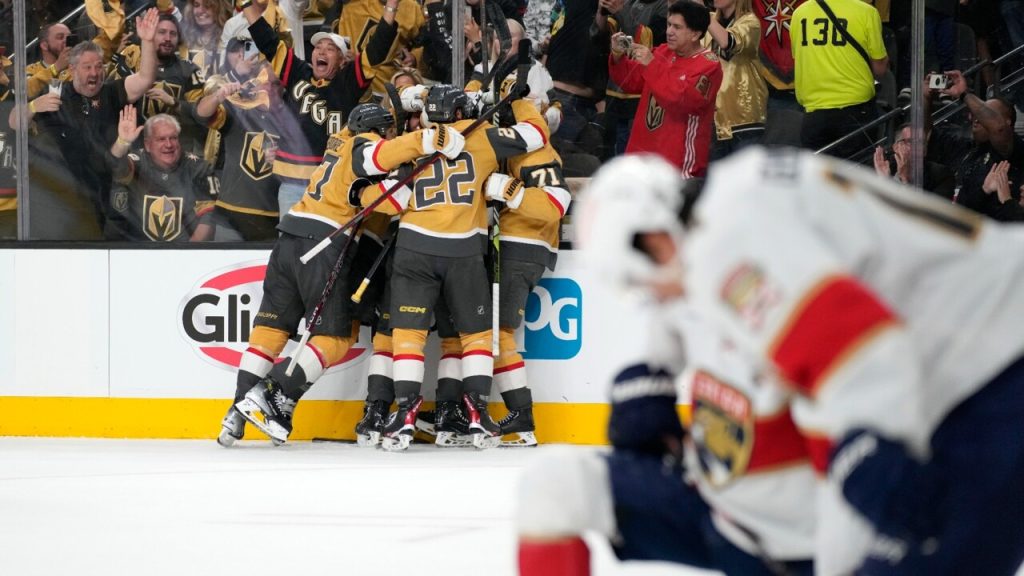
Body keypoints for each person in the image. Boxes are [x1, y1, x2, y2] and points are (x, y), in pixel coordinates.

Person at [681, 146, 1024, 574]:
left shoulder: (731, 246)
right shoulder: (755, 182)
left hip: (994, 351)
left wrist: (858, 461)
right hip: (985, 333)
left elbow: (862, 357)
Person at [516, 154, 817, 576]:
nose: (650, 297)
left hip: (807, 542)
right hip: (724, 511)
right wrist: (638, 393)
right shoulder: (679, 291)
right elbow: (657, 366)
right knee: (555, 485)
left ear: (657, 240)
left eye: (638, 280)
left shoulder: (781, 288)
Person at [369, 83, 546, 451]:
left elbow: (380, 163)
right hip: (464, 250)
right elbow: (537, 134)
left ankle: (403, 414)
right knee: (477, 336)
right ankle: (477, 412)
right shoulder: (484, 136)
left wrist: (419, 139)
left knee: (408, 335)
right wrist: (522, 103)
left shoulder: (418, 138)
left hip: (415, 244)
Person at [222, 103, 401, 446]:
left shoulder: (338, 143)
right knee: (337, 336)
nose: (392, 138)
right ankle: (273, 394)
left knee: (271, 328)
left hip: (290, 234)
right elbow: (387, 201)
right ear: (377, 133)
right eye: (389, 132)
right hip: (332, 243)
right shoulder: (367, 152)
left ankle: (238, 410)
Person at [240, 0, 398, 216]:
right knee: (291, 247)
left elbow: (378, 46)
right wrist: (247, 3)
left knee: (324, 247)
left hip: (329, 184)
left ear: (342, 61)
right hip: (291, 185)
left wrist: (391, 6)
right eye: (318, 47)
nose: (321, 51)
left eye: (330, 49)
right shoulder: (298, 72)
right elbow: (266, 39)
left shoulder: (348, 82)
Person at [23, 8, 161, 240]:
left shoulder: (112, 91)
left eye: (99, 66)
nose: (95, 72)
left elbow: (146, 78)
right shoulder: (55, 95)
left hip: (110, 188)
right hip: (69, 194)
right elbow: (13, 121)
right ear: (72, 69)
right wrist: (33, 106)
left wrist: (147, 41)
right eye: (87, 67)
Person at [608, 1, 723, 178]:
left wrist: (652, 65)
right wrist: (617, 56)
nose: (669, 31)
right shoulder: (662, 52)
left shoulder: (709, 65)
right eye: (669, 24)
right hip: (641, 158)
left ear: (695, 34)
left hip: (678, 166)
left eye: (677, 27)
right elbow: (631, 82)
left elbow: (682, 100)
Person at [193, 37, 286, 241]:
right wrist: (218, 97)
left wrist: (282, 160)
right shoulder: (238, 110)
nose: (269, 88)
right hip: (230, 213)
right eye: (263, 81)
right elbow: (201, 114)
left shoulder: (291, 122)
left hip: (270, 216)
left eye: (275, 83)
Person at [790, 0, 887, 159]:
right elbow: (880, 69)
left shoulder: (799, 14)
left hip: (813, 115)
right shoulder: (866, 12)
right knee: (856, 178)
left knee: (818, 180)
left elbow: (799, 58)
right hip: (856, 112)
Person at [926, 70, 1024, 221]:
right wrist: (925, 98)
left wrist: (964, 94)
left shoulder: (1009, 150)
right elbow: (924, 134)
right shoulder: (962, 146)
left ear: (1008, 122)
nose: (977, 117)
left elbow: (998, 128)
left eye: (986, 113)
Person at [108, 108, 217, 241]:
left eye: (173, 138)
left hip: (184, 252)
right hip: (137, 252)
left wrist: (188, 254)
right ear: (147, 145)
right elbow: (116, 167)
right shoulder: (137, 161)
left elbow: (209, 218)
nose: (169, 144)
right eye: (161, 139)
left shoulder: (199, 168)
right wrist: (123, 142)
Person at [704, 0, 767, 159]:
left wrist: (701, 12)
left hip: (744, 120)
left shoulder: (750, 22)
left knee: (745, 182)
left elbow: (727, 41)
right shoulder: (709, 20)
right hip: (713, 119)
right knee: (715, 181)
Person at [872, 122, 955, 199]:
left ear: (925, 150)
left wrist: (906, 180)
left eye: (921, 142)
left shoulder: (941, 175)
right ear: (896, 147)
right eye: (910, 141)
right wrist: (884, 182)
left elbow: (933, 213)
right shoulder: (880, 170)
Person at [26, 23, 73, 99]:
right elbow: (26, 92)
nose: (65, 40)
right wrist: (56, 68)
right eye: (60, 37)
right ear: (44, 45)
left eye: (69, 37)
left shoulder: (78, 66)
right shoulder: (31, 69)